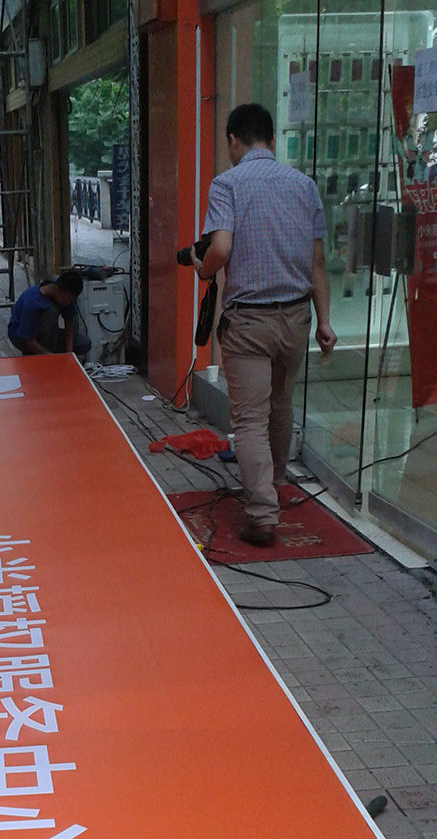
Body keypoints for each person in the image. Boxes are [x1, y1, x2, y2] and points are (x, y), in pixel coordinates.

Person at [193, 103, 336, 546]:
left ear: (232, 141)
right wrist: (325, 322)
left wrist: (202, 267)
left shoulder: (227, 184)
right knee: (281, 405)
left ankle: (261, 515)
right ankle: (272, 485)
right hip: (296, 317)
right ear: (272, 141)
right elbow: (316, 262)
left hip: (250, 322)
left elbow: (220, 247)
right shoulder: (304, 186)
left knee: (250, 419)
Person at [7, 272, 92, 357]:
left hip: (47, 333)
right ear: (57, 289)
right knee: (53, 311)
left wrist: (69, 354)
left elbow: (69, 323)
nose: (68, 303)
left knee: (84, 343)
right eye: (67, 299)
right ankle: (39, 354)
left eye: (71, 300)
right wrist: (52, 358)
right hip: (22, 336)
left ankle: (49, 351)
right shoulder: (31, 301)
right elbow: (29, 341)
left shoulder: (65, 292)